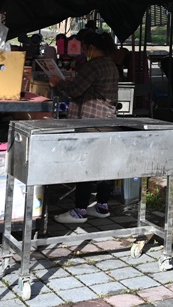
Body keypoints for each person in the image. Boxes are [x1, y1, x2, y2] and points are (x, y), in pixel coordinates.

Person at [49, 31, 119, 224]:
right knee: (104, 166)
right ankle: (102, 206)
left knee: (86, 166)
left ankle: (80, 210)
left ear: (92, 48)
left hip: (90, 122)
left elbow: (74, 91)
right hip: (107, 121)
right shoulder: (110, 65)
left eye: (85, 47)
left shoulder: (93, 65)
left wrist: (58, 83)